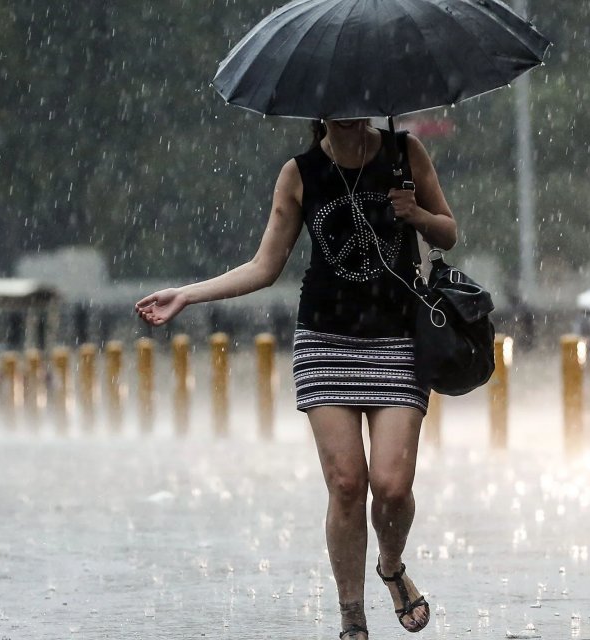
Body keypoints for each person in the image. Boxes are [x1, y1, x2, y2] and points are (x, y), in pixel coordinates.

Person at [136, 119, 457, 640]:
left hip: (398, 340)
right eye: (333, 104)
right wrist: (189, 294)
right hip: (324, 341)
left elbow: (449, 231)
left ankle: (392, 565)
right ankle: (351, 611)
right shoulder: (300, 173)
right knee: (347, 484)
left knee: (392, 487)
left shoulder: (405, 152)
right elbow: (265, 266)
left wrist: (415, 213)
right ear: (318, 110)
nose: (346, 113)